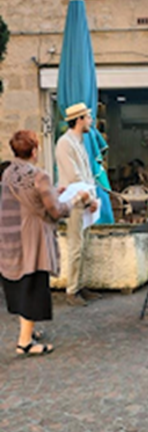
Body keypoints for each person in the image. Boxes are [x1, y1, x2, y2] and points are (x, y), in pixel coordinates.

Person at [3, 131, 79, 356]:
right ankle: (24, 343)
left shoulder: (6, 172)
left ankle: (28, 331)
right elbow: (54, 211)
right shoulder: (39, 175)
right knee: (33, 287)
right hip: (31, 240)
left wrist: (54, 192)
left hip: (8, 237)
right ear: (35, 150)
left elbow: (31, 199)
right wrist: (76, 200)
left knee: (20, 287)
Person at [54, 103, 101, 306]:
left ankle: (80, 285)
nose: (91, 121)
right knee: (75, 245)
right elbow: (75, 177)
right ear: (80, 119)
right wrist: (90, 199)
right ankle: (72, 289)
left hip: (85, 199)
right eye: (88, 117)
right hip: (74, 200)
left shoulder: (79, 142)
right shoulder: (65, 143)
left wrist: (93, 199)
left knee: (84, 245)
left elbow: (87, 176)